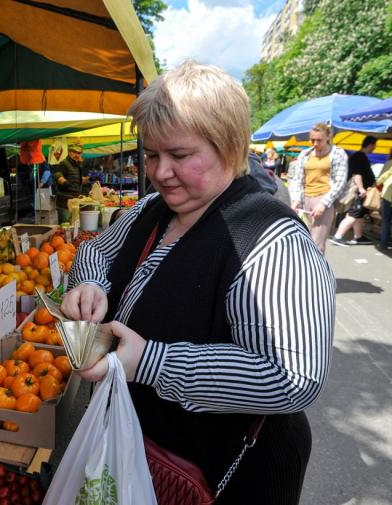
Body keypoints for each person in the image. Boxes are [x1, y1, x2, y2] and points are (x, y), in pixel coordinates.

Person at [62, 62, 334, 505]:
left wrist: (149, 362)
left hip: (221, 474)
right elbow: (96, 252)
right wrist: (91, 285)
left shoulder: (272, 242)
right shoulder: (151, 210)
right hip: (141, 454)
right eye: (151, 155)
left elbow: (294, 377)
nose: (160, 172)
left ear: (228, 146)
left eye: (180, 156)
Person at [289, 122, 349, 254]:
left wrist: (323, 204)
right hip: (305, 199)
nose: (315, 143)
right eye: (312, 140)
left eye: (319, 140)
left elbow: (340, 182)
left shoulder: (338, 154)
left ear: (328, 137)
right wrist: (295, 200)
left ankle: (315, 273)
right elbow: (297, 179)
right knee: (303, 240)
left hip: (323, 199)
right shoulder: (305, 154)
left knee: (317, 245)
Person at [330, 136, 378, 246]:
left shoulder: (359, 156)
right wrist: (361, 188)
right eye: (374, 146)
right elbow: (357, 174)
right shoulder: (359, 156)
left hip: (360, 192)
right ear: (371, 145)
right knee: (353, 214)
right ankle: (338, 236)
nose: (374, 148)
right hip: (358, 192)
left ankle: (358, 237)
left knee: (359, 215)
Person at [53, 143, 87, 223]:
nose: (77, 155)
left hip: (75, 200)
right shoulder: (64, 163)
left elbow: (74, 178)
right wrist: (64, 182)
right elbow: (57, 175)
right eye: (74, 152)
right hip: (65, 201)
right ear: (69, 152)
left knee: (74, 224)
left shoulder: (77, 165)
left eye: (79, 153)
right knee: (66, 225)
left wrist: (84, 180)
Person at [375, 150, 392, 251]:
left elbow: (381, 178)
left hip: (388, 195)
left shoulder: (389, 163)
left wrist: (377, 184)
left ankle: (384, 244)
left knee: (386, 221)